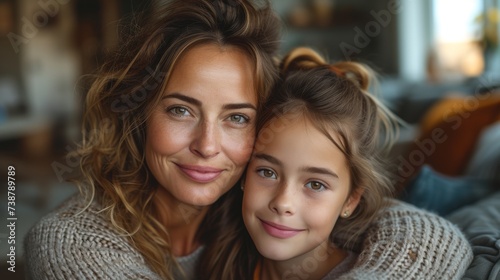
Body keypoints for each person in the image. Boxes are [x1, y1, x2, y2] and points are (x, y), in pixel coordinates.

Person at [24, 1, 472, 279]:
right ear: (139, 112)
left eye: (237, 118)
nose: (207, 145)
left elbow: (431, 237)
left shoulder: (258, 204)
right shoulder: (72, 242)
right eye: (181, 110)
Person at [233, 47, 473, 279]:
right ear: (244, 174)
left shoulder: (364, 270)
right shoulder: (224, 262)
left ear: (351, 200)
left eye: (315, 184)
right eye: (267, 172)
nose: (283, 203)